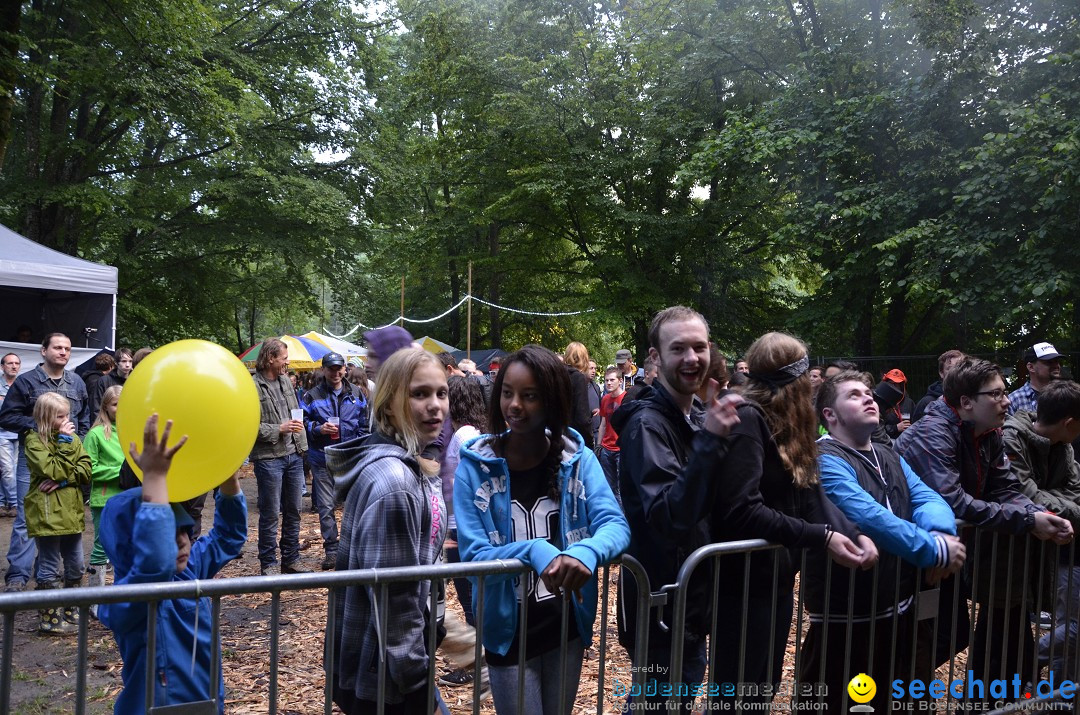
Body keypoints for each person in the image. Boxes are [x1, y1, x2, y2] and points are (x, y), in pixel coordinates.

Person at [454, 344, 629, 715]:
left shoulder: (576, 459)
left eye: (529, 396)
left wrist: (586, 552)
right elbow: (473, 554)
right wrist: (534, 551)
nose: (514, 405)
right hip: (508, 635)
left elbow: (614, 524)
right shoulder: (475, 466)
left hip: (566, 627)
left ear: (551, 400)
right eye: (507, 393)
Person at [710, 333, 874, 706]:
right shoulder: (748, 419)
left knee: (761, 687)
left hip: (776, 577)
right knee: (737, 693)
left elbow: (810, 494)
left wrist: (851, 535)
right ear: (795, 380)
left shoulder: (791, 421)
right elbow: (741, 509)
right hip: (740, 583)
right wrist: (821, 537)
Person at [896, 356, 1073, 682]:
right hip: (910, 553)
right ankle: (892, 694)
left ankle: (904, 692)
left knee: (947, 634)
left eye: (1004, 392)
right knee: (926, 635)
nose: (1006, 401)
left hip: (943, 551)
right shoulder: (933, 434)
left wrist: (1036, 513)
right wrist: (1027, 521)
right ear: (966, 402)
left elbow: (1005, 488)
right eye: (995, 394)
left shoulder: (987, 431)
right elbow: (954, 501)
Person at [803, 371, 965, 711]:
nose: (868, 398)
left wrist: (941, 534)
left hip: (898, 607)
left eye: (868, 393)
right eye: (853, 395)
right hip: (846, 617)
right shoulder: (824, 460)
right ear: (829, 415)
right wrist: (934, 551)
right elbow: (872, 518)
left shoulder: (887, 453)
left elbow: (928, 498)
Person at [610, 306, 743, 710]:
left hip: (691, 600)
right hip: (661, 604)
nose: (691, 358)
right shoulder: (649, 425)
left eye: (699, 347)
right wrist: (711, 443)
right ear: (654, 357)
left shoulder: (696, 417)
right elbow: (670, 516)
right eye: (678, 348)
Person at [324, 348, 450, 715]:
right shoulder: (395, 482)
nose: (435, 405)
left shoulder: (413, 465)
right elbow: (394, 599)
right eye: (419, 393)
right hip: (385, 677)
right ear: (390, 402)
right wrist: (417, 681)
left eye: (441, 393)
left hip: (391, 666)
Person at [100, 414, 247, 714]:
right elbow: (154, 563)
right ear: (136, 543)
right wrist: (154, 478)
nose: (182, 542)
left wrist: (228, 481)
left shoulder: (189, 566)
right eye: (168, 534)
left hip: (204, 704)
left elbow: (228, 537)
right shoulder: (123, 600)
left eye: (184, 531)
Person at [1002, 380, 1080, 678]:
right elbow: (1025, 494)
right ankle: (1024, 665)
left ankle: (1058, 700)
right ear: (1069, 422)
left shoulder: (1064, 445)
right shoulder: (1012, 438)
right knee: (1070, 628)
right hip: (1024, 558)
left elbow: (1073, 489)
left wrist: (1056, 506)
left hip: (1057, 546)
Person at [0, 333, 89, 592]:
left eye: (67, 348)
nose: (63, 352)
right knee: (27, 516)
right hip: (35, 458)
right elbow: (7, 417)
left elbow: (83, 418)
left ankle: (46, 572)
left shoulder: (77, 382)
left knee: (63, 511)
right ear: (43, 351)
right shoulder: (27, 382)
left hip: (67, 456)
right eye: (57, 347)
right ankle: (17, 576)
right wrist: (43, 428)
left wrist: (73, 444)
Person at [25, 392, 92, 635]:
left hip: (71, 512)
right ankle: (49, 618)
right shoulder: (34, 442)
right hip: (47, 513)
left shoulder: (72, 439)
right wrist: (64, 445)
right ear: (45, 418)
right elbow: (51, 469)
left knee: (76, 564)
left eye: (67, 415)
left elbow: (86, 469)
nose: (66, 420)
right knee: (49, 564)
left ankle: (72, 609)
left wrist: (63, 482)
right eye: (60, 416)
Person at [303, 351, 368, 570]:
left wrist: (359, 448)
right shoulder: (311, 395)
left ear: (344, 369)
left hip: (350, 458)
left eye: (339, 368)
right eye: (331, 368)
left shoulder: (357, 393)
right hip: (322, 458)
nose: (335, 372)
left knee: (355, 505)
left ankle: (353, 549)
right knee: (325, 506)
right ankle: (331, 550)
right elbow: (302, 424)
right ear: (324, 370)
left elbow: (364, 424)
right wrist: (318, 429)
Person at [250, 337, 309, 576]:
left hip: (293, 455)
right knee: (271, 513)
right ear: (271, 358)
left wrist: (301, 444)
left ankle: (291, 559)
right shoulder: (252, 386)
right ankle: (269, 564)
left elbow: (296, 414)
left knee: (294, 510)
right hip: (269, 458)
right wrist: (279, 429)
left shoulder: (286, 381)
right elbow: (249, 425)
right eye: (284, 358)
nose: (288, 362)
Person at [83, 385, 124, 611]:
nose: (121, 408)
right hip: (105, 498)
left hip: (129, 497)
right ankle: (95, 600)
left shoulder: (133, 430)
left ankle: (120, 597)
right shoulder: (96, 434)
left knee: (125, 545)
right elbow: (88, 468)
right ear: (106, 407)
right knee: (101, 547)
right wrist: (121, 472)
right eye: (116, 404)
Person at [1008, 341, 1064, 415]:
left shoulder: (1066, 396)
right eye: (1049, 362)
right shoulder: (1014, 400)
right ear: (1031, 367)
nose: (1056, 366)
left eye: (1057, 361)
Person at [596, 367, 626, 507]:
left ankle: (625, 518)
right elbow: (602, 424)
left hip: (621, 448)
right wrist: (599, 445)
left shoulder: (626, 398)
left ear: (620, 381)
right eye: (606, 380)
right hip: (606, 449)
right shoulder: (605, 399)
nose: (608, 383)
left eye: (612, 380)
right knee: (609, 486)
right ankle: (615, 515)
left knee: (623, 486)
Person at [912, 349, 964, 423]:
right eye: (950, 368)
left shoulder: (973, 399)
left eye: (959, 367)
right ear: (941, 373)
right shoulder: (927, 403)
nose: (955, 372)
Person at [561, 342, 595, 450]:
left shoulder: (557, 375)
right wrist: (590, 441)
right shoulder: (578, 377)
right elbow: (582, 417)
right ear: (584, 358)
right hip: (572, 439)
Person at [0, 352, 20, 517]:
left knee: (12, 470)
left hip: (19, 433)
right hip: (1, 434)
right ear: (2, 366)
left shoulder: (22, 384)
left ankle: (2, 502)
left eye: (16, 363)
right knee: (7, 470)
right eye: (10, 363)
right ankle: (14, 503)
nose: (14, 366)